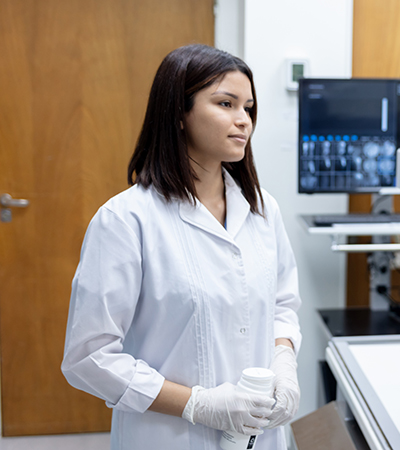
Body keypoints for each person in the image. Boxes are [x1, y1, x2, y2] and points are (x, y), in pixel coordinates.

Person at [62, 44, 302, 450]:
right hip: (168, 437)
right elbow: (89, 356)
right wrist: (198, 404)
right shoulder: (126, 220)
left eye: (248, 108)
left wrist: (284, 365)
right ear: (178, 113)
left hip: (259, 435)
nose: (243, 120)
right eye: (226, 104)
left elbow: (282, 305)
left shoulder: (263, 210)